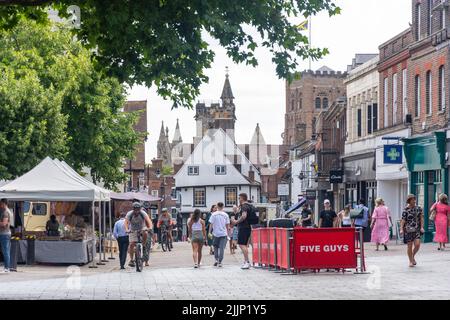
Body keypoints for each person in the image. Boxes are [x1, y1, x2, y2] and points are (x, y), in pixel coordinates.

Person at [124, 202, 152, 268]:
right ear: (133, 209)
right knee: (131, 244)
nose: (136, 211)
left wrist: (150, 228)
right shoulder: (129, 214)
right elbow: (126, 222)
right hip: (133, 229)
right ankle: (131, 260)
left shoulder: (143, 213)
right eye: (135, 209)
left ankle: (144, 244)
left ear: (140, 209)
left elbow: (149, 221)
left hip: (142, 228)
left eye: (138, 209)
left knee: (145, 232)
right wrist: (127, 229)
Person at [232, 193, 255, 270]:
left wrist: (236, 222)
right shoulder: (250, 205)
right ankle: (247, 261)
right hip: (248, 227)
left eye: (239, 198)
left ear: (242, 198)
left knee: (242, 244)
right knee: (244, 244)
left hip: (243, 227)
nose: (238, 200)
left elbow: (244, 216)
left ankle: (247, 261)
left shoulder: (244, 206)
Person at [400, 194, 424, 268]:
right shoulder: (405, 210)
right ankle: (410, 261)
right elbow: (403, 220)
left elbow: (421, 218)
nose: (414, 201)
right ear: (409, 201)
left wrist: (422, 227)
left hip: (416, 229)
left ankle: (413, 256)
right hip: (408, 230)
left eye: (414, 199)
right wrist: (401, 229)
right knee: (409, 246)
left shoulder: (418, 208)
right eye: (412, 199)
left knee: (417, 244)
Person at [208, 202, 230, 267]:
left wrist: (209, 232)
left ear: (217, 206)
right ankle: (220, 262)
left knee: (215, 247)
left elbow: (211, 224)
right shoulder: (226, 215)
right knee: (221, 248)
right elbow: (227, 226)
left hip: (215, 233)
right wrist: (228, 235)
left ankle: (216, 260)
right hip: (223, 233)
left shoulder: (213, 214)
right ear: (223, 207)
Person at [0, 199, 12, 273]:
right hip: (5, 233)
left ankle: (7, 268)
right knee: (5, 251)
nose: (0, 205)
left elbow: (4, 224)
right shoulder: (7, 211)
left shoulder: (6, 212)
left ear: (4, 204)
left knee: (5, 251)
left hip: (4, 234)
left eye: (1, 204)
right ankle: (6, 267)